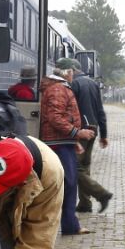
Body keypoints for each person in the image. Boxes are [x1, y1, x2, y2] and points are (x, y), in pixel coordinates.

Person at [40, 59, 95, 235]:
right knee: (69, 183)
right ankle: (69, 225)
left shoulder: (59, 88)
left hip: (62, 142)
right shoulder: (58, 89)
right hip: (58, 143)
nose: (74, 75)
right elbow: (55, 117)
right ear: (66, 72)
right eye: (72, 71)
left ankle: (69, 224)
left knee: (68, 183)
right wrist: (77, 134)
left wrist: (74, 142)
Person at [69, 63, 113, 214]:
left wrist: (73, 131)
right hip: (93, 128)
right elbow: (100, 110)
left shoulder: (73, 84)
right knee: (85, 166)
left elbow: (71, 109)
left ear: (72, 70)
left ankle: (102, 194)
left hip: (81, 130)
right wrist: (104, 134)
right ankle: (85, 203)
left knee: (74, 167)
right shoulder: (93, 83)